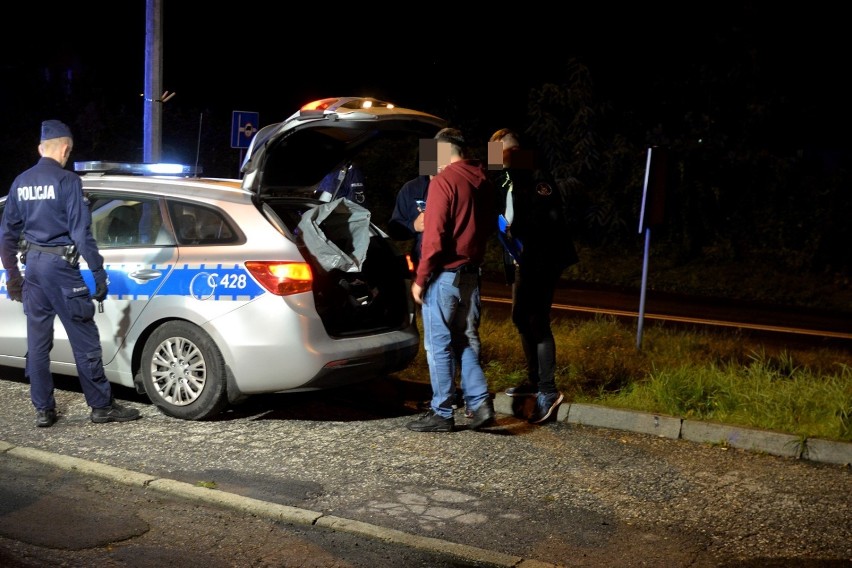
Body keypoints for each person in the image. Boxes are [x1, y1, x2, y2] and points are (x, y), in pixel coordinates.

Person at [0, 120, 142, 428]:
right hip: (62, 270)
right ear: (65, 149)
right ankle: (101, 407)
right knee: (85, 339)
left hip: (33, 268)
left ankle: (43, 410)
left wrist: (13, 276)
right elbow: (81, 233)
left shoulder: (20, 182)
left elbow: (7, 234)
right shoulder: (68, 181)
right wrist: (98, 272)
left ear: (41, 148)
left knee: (37, 343)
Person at [407, 128, 496, 433]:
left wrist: (420, 278)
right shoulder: (482, 179)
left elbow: (434, 238)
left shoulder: (444, 181)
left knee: (438, 345)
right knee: (463, 339)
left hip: (444, 275)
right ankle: (480, 403)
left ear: (443, 154)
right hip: (471, 274)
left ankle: (442, 412)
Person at [489, 128, 579, 424]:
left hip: (542, 261)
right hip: (521, 260)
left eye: (497, 152)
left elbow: (544, 224)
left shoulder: (536, 176)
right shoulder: (508, 178)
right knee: (519, 317)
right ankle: (533, 380)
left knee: (537, 321)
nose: (494, 159)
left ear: (511, 151)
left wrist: (519, 237)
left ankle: (548, 391)